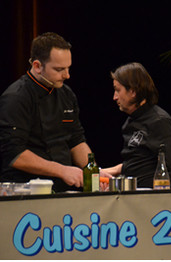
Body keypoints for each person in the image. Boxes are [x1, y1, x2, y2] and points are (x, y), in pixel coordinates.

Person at [0, 32, 108, 192]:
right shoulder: (16, 97)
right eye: (59, 69)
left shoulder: (66, 94)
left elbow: (76, 140)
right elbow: (14, 154)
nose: (67, 75)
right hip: (27, 190)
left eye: (68, 68)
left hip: (62, 187)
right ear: (37, 66)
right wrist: (62, 170)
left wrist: (93, 172)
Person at [101, 62, 171, 188]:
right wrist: (102, 173)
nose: (115, 97)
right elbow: (137, 162)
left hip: (153, 200)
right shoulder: (130, 121)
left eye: (118, 90)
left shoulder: (160, 122)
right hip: (133, 197)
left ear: (133, 92)